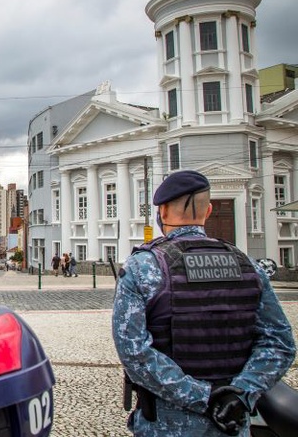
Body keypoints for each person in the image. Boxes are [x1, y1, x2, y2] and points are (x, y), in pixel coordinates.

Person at [112, 170, 295, 436]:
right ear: (208, 211)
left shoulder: (144, 267)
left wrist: (203, 396)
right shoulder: (248, 266)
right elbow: (280, 343)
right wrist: (240, 395)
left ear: (162, 212)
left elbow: (134, 352)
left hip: (167, 422)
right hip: (231, 420)